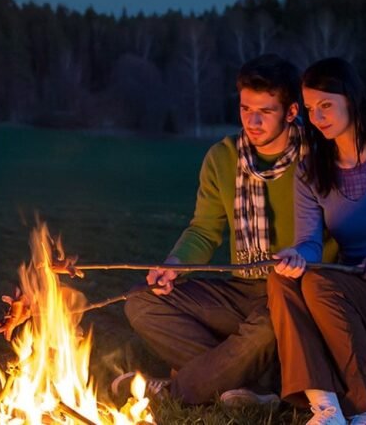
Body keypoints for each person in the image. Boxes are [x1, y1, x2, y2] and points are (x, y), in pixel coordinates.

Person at [123, 54, 337, 406]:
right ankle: (257, 384)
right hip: (243, 287)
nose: (252, 121)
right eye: (245, 108)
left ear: (292, 112)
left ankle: (175, 391)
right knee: (141, 302)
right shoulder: (223, 158)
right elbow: (205, 231)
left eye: (265, 111)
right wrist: (174, 264)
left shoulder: (319, 159)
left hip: (297, 292)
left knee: (269, 326)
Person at [270, 57, 366, 425]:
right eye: (310, 108)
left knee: (321, 283)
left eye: (326, 105)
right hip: (355, 294)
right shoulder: (311, 170)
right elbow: (310, 242)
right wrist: (297, 254)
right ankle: (325, 408)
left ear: (351, 99)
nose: (317, 116)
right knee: (283, 276)